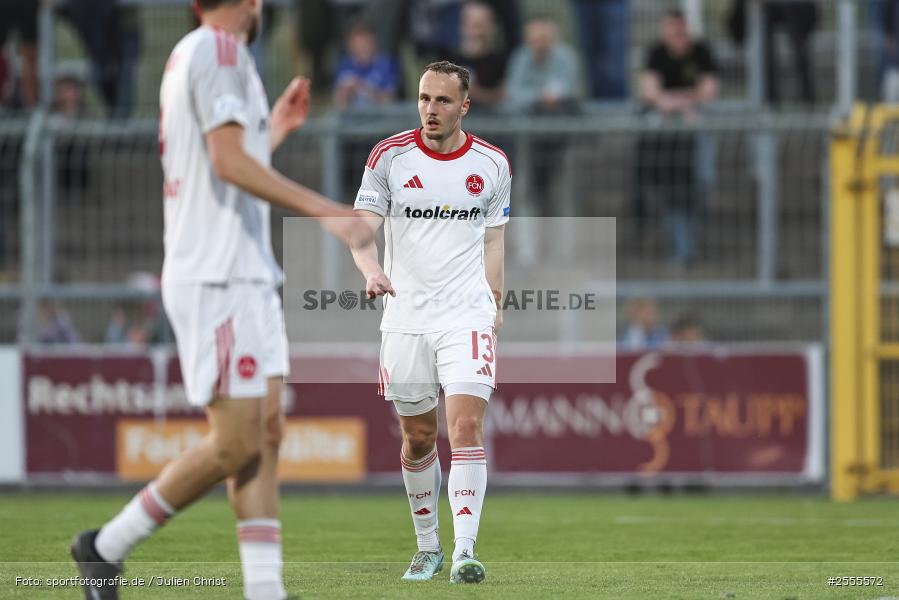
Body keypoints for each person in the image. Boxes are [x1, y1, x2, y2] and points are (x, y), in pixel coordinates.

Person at [69, 2, 372, 599]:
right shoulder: (220, 49)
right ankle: (106, 546)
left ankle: (265, 590)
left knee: (267, 432)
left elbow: (222, 162)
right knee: (236, 441)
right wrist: (328, 213)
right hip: (218, 276)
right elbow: (227, 162)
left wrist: (271, 131)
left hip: (243, 273)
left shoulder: (201, 53)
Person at [350, 60, 510, 584]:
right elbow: (360, 231)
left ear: (465, 105)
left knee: (464, 426)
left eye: (442, 100)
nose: (430, 109)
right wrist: (372, 271)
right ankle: (428, 547)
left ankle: (465, 551)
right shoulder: (389, 157)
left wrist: (496, 303)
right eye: (424, 98)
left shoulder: (492, 164)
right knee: (418, 437)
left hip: (466, 313)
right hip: (406, 316)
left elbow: (493, 240)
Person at [636, 9, 718, 265]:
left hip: (694, 130)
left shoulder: (701, 52)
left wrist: (677, 100)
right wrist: (678, 101)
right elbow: (649, 91)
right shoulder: (656, 53)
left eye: (680, 31)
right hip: (666, 137)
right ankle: (681, 248)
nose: (676, 37)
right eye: (671, 32)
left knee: (701, 183)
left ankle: (689, 245)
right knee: (670, 189)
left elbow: (708, 91)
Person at [444, 2, 509, 111]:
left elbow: (503, 95)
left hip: (491, 117)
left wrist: (473, 92)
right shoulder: (448, 58)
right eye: (469, 24)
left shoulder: (500, 61)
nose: (474, 32)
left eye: (479, 25)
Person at [333, 21, 401, 109]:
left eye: (365, 44)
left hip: (379, 115)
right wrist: (345, 93)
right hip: (352, 115)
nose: (361, 49)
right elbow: (337, 102)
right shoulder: (345, 65)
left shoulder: (386, 64)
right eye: (357, 45)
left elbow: (390, 100)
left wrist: (363, 88)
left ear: (373, 43)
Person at [570, 0, 629, 99]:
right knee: (591, 63)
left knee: (613, 62)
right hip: (583, 4)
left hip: (611, 3)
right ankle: (598, 104)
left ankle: (617, 105)